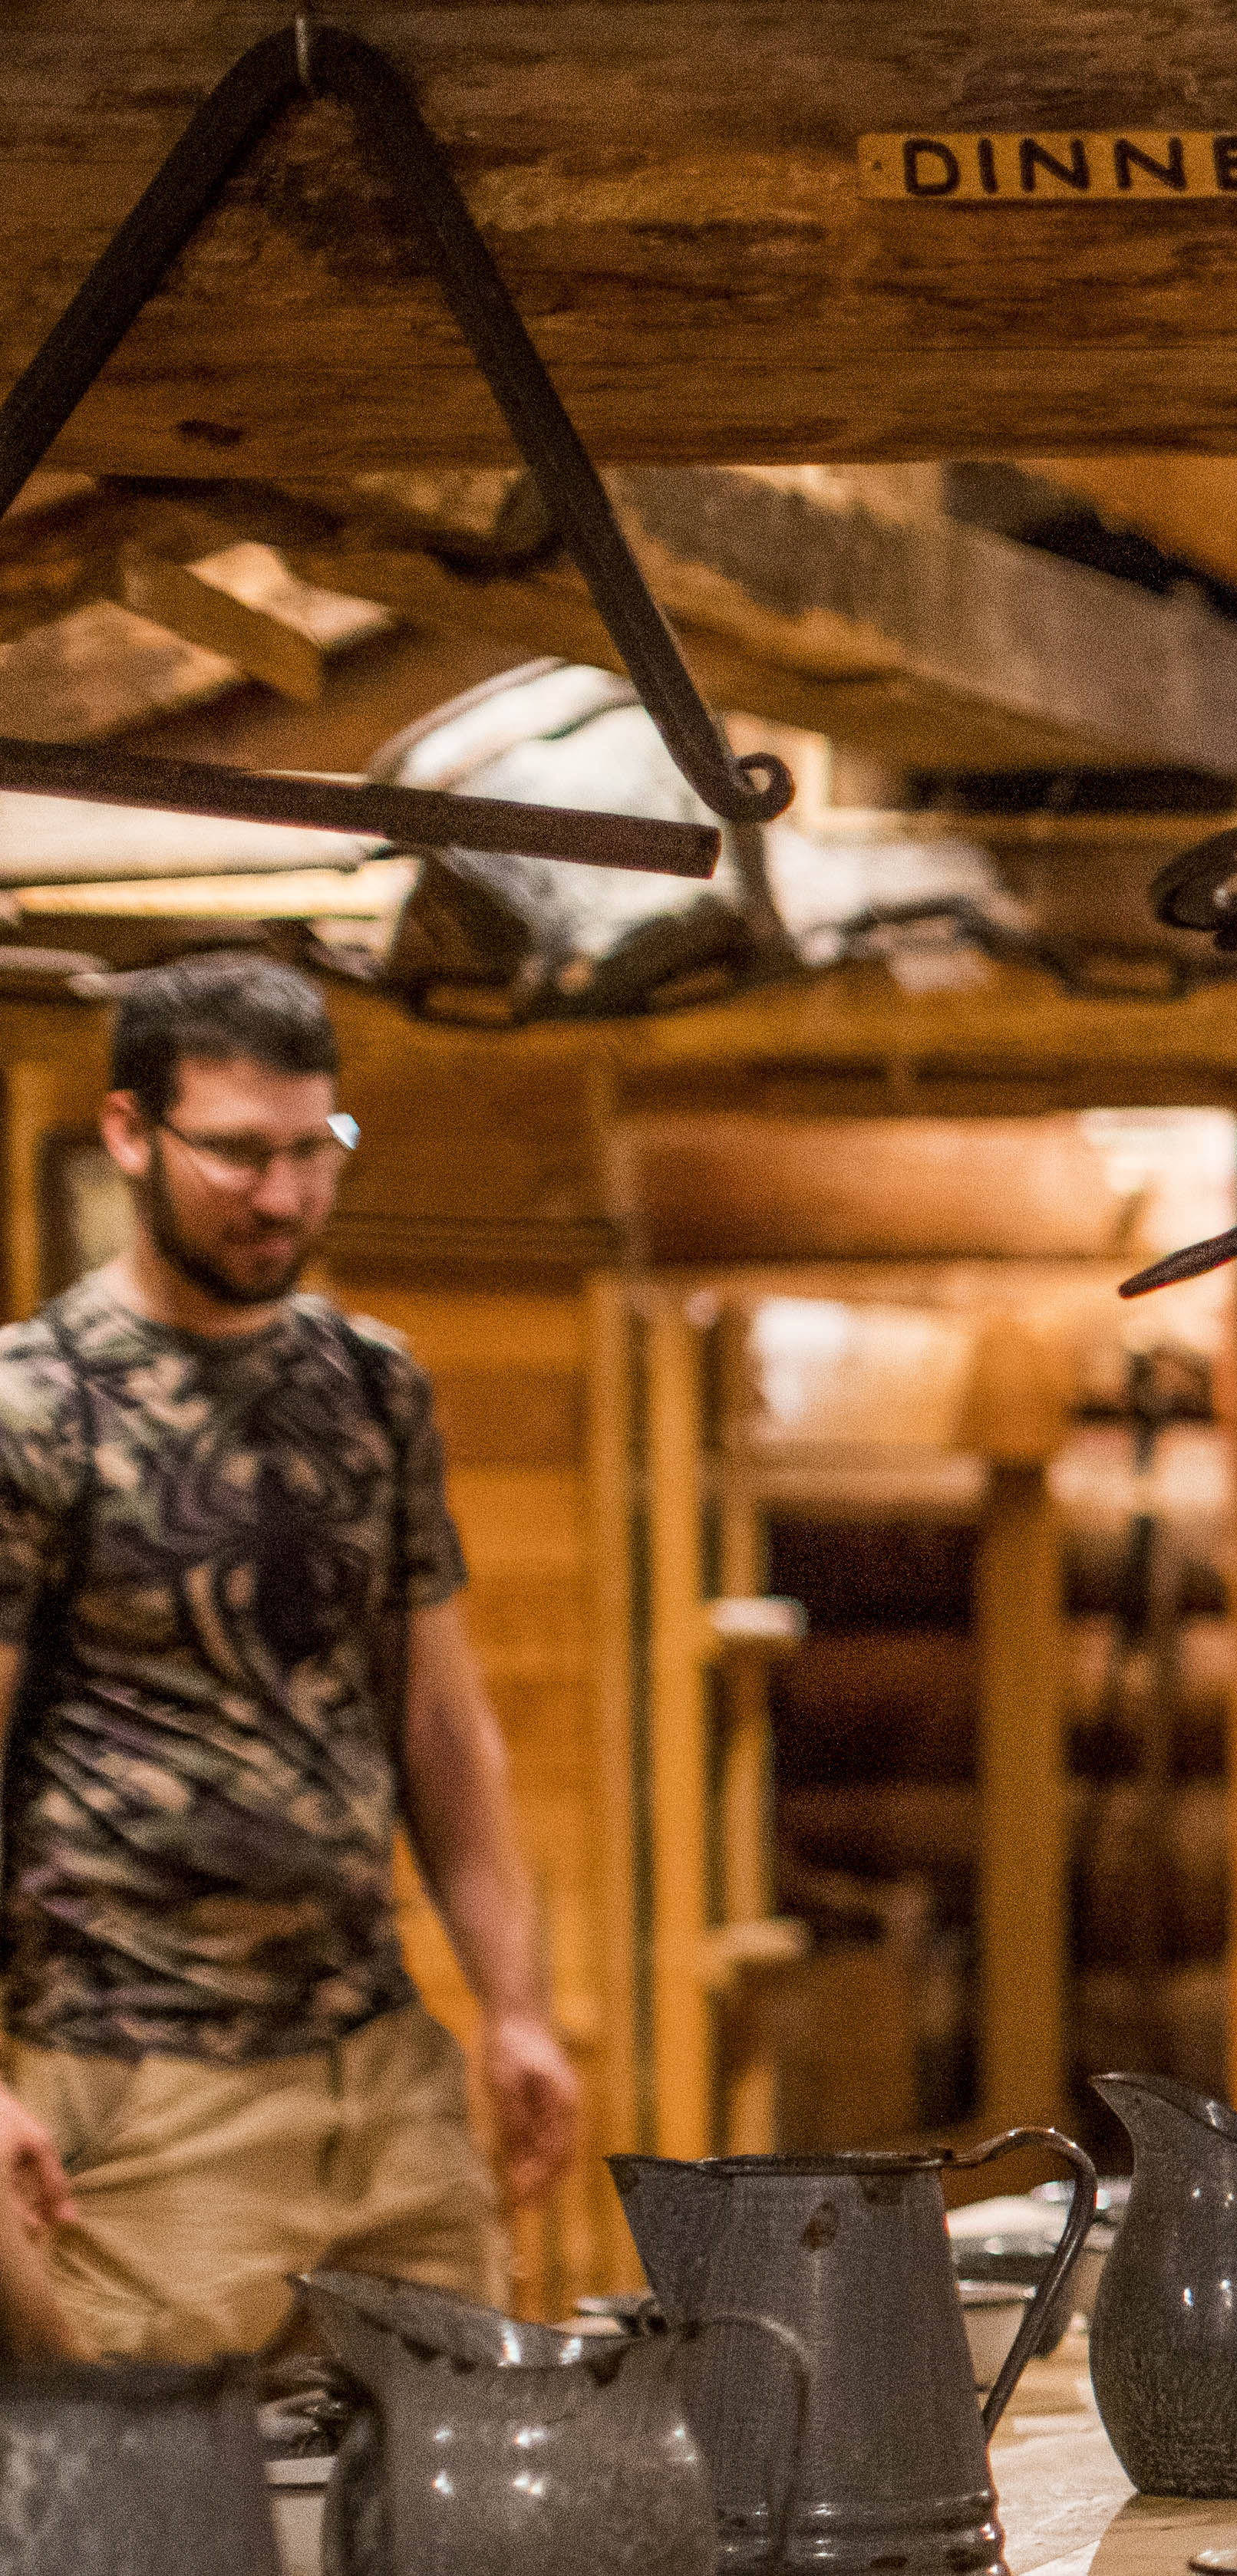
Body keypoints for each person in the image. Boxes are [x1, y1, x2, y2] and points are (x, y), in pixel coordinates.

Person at [0, 955, 576, 2360]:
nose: (283, 1194)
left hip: (379, 2069)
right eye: (239, 1153)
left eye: (315, 1149)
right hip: (137, 2092)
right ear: (132, 1132)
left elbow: (438, 1720)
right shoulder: (35, 1406)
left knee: (464, 2487)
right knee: (173, 2526)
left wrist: (515, 2007)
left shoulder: (373, 1384)